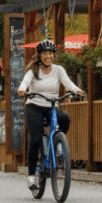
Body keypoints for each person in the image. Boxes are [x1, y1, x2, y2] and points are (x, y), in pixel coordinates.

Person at [17, 39, 85, 191]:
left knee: (64, 118)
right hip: (34, 106)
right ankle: (31, 177)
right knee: (35, 140)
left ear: (54, 55)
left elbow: (68, 83)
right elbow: (24, 83)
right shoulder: (33, 71)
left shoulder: (58, 70)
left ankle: (58, 144)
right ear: (40, 55)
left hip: (51, 105)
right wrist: (22, 90)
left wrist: (77, 90)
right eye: (45, 54)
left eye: (51, 54)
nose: (48, 56)